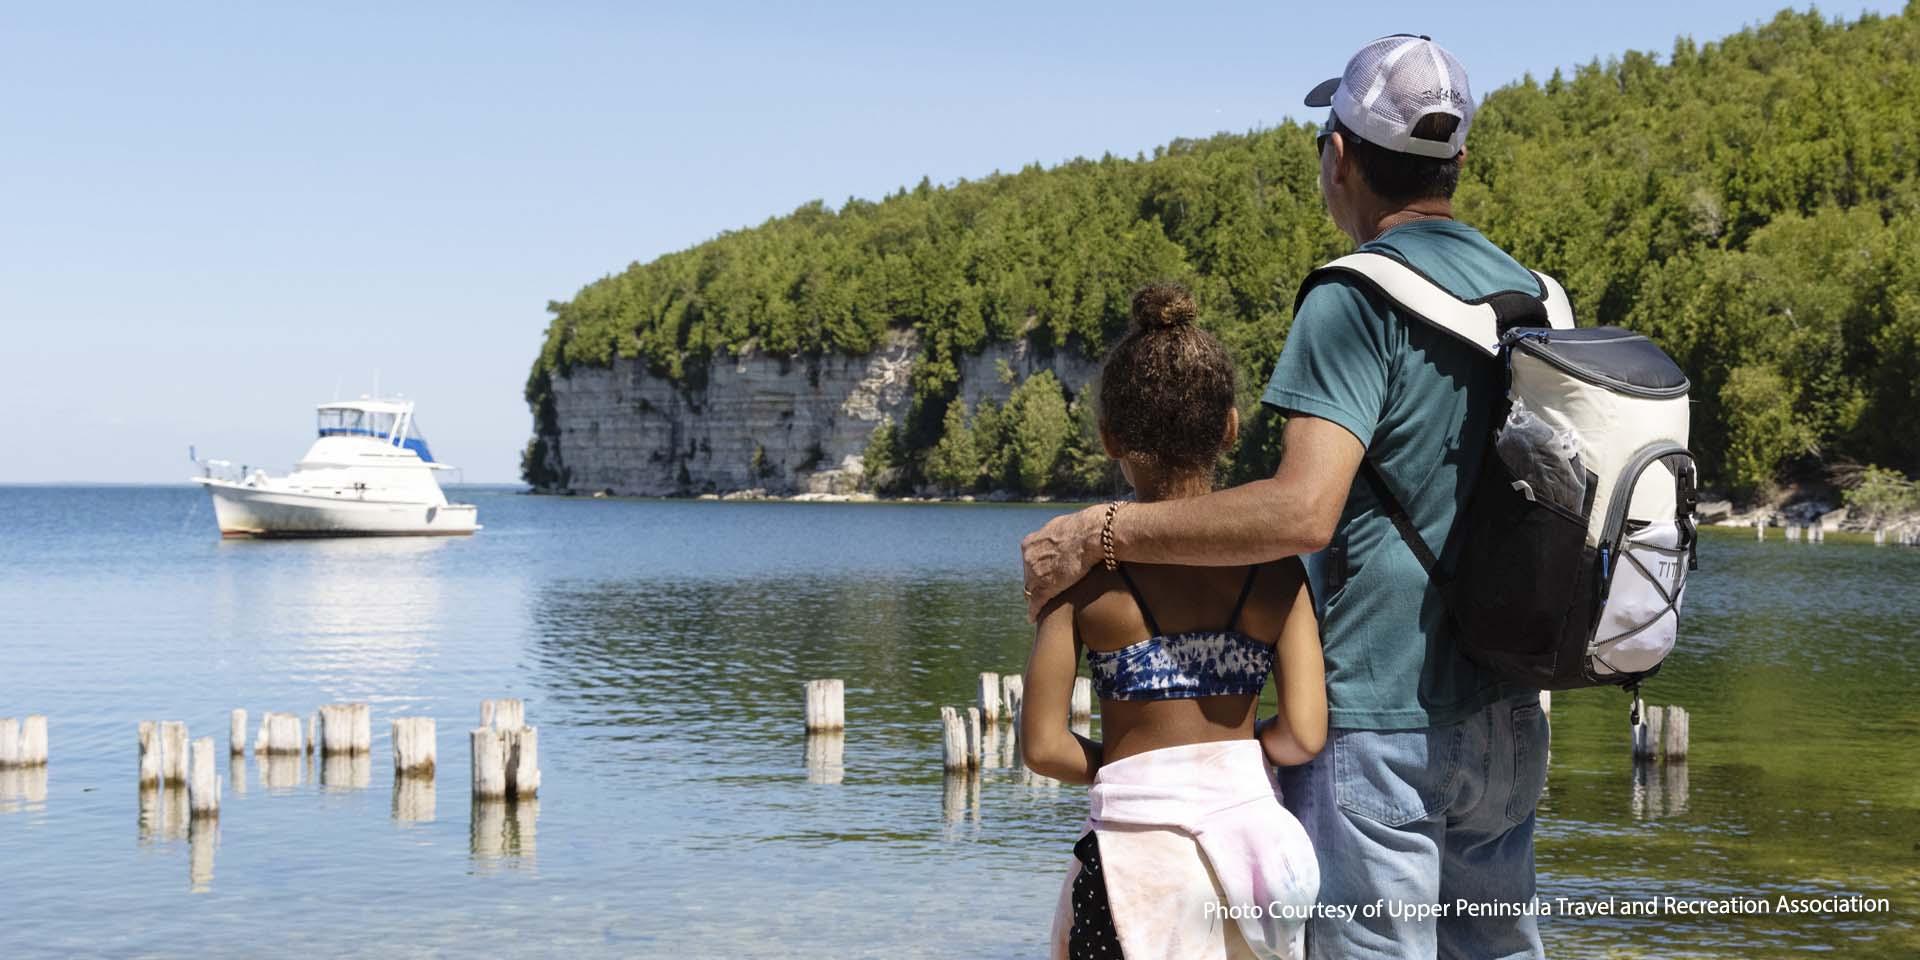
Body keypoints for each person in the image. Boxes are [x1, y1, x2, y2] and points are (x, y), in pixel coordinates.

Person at [1020, 35, 1550, 960]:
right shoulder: (1534, 298)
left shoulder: (1357, 299)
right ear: (1457, 160)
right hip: (1512, 715)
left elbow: (1301, 511)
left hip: (1389, 723)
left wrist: (1102, 532)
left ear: (1339, 155)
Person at [1022, 282, 1326, 960]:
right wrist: (1226, 760)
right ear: (1230, 428)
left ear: (1109, 439)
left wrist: (1139, 770)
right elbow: (1305, 733)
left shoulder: (1080, 576)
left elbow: (1043, 747)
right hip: (1251, 864)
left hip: (1133, 864)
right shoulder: (1277, 572)